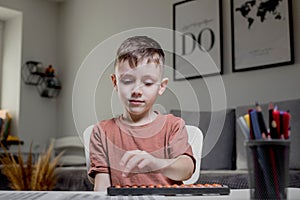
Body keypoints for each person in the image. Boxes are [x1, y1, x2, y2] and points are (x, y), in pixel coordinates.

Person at [88, 36, 195, 191]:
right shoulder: (101, 131)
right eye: (127, 80)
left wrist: (155, 163)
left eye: (148, 83)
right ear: (115, 82)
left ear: (161, 86)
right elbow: (102, 189)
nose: (137, 91)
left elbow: (186, 169)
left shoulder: (173, 125)